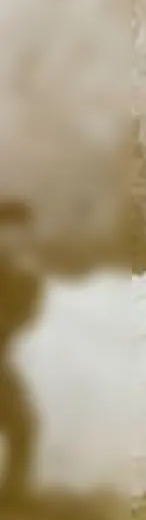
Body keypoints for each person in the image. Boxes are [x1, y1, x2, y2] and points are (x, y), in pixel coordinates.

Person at [0, 200, 40, 503]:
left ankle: (14, 497)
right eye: (8, 232)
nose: (14, 240)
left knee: (24, 425)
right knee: (22, 424)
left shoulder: (24, 274)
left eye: (20, 234)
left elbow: (25, 316)